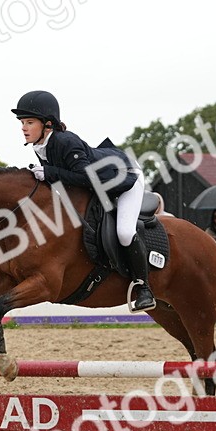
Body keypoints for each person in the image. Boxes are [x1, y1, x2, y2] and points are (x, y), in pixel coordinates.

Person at [13, 89, 156, 311]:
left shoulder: (65, 141)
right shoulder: (40, 146)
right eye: (22, 122)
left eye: (29, 122)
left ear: (47, 124)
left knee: (125, 232)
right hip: (100, 183)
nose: (23, 127)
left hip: (124, 177)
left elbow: (86, 178)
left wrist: (50, 173)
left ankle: (144, 287)